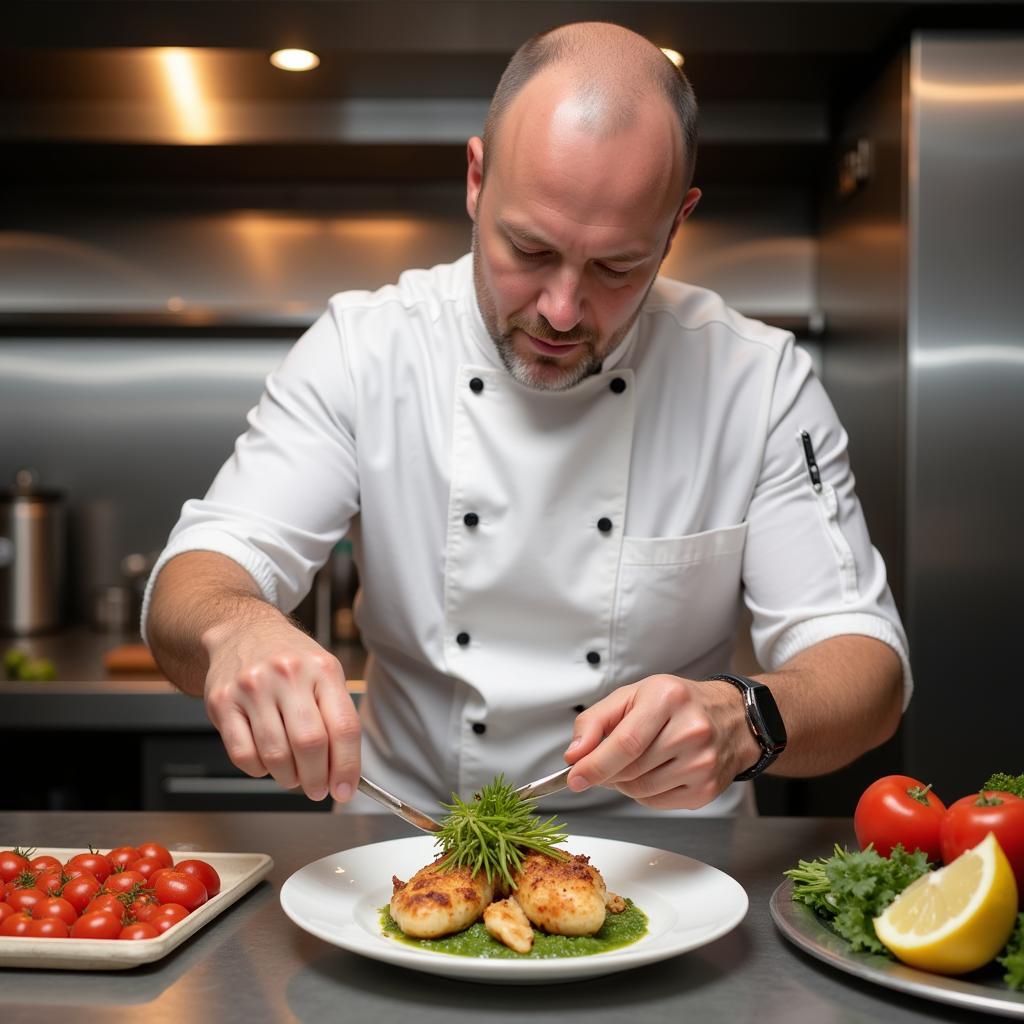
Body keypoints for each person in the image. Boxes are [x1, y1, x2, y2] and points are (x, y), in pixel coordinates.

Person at [143, 21, 911, 817]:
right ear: (477, 179)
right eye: (529, 248)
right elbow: (198, 574)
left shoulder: (758, 382)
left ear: (677, 223)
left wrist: (747, 719)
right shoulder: (365, 349)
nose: (562, 309)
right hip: (409, 845)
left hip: (675, 865)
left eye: (617, 266)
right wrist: (236, 629)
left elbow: (865, 670)